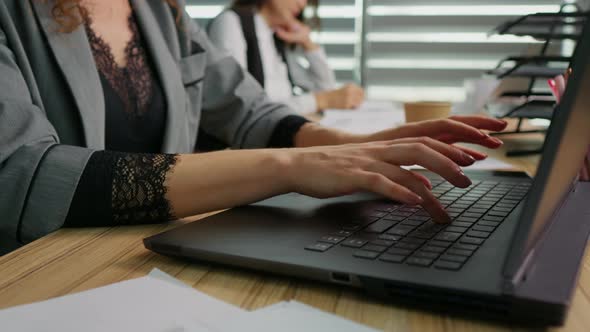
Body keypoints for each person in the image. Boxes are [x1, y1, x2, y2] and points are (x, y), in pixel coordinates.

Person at [0, 0, 506, 255]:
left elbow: (250, 111)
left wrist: (354, 145)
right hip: (41, 270)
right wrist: (287, 167)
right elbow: (23, 173)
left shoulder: (160, 10)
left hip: (141, 255)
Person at [207, 0, 365, 114]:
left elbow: (325, 89)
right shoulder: (231, 23)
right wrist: (319, 100)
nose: (303, 4)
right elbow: (239, 109)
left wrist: (307, 42)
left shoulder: (276, 35)